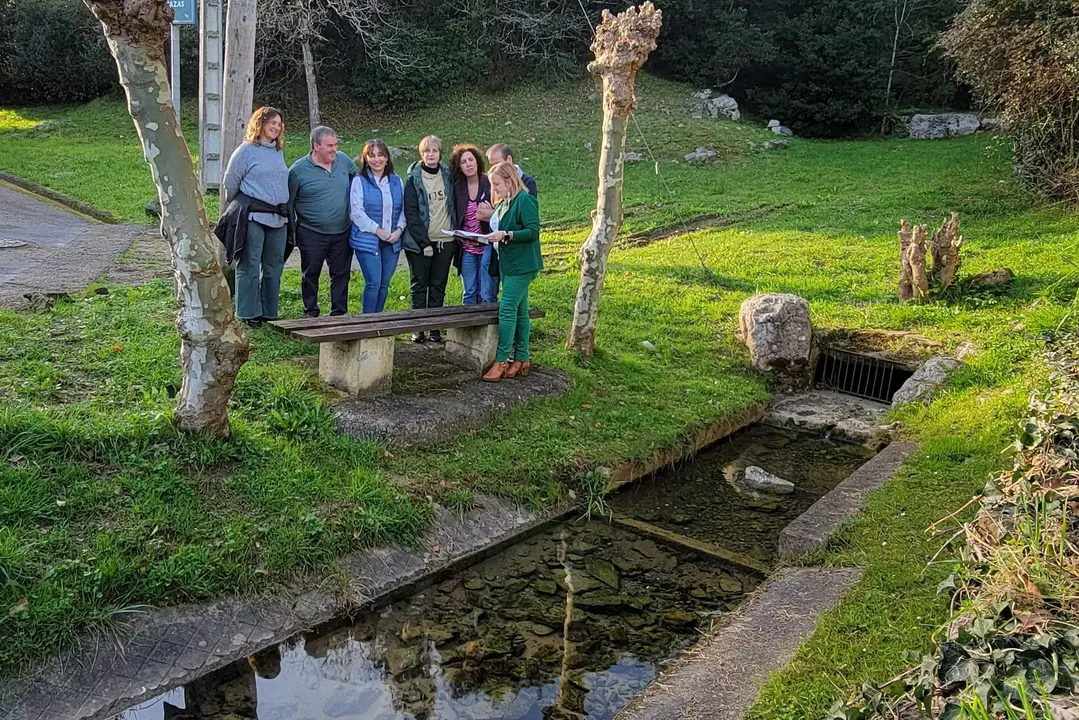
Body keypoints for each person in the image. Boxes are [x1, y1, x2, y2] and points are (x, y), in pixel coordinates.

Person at [217, 106, 290, 327]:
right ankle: (248, 312)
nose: (276, 127)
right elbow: (230, 183)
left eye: (279, 124)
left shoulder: (277, 152)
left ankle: (269, 311)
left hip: (277, 217)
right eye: (272, 122)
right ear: (260, 123)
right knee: (250, 263)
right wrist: (242, 203)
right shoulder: (246, 150)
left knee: (274, 264)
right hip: (253, 216)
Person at [481, 161, 542, 383]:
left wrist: (507, 235)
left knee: (506, 309)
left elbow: (533, 231)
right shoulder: (505, 202)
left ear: (509, 180)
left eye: (497, 184)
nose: (494, 189)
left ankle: (501, 359)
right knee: (520, 311)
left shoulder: (524, 200)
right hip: (507, 264)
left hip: (522, 265)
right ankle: (522, 358)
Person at [288, 125, 356, 318]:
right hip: (311, 232)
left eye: (335, 144)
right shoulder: (298, 170)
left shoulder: (344, 161)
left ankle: (339, 312)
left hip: (342, 230)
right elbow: (289, 203)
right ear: (316, 146)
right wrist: (293, 232)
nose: (335, 149)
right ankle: (311, 311)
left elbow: (357, 182)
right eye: (330, 146)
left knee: (341, 274)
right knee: (310, 274)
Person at [402, 135, 457, 343]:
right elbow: (411, 213)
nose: (431, 154)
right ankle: (418, 327)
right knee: (419, 284)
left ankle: (435, 327)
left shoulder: (449, 176)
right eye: (427, 151)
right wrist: (424, 242)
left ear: (440, 153)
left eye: (434, 151)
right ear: (421, 154)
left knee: (438, 285)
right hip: (420, 241)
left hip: (446, 239)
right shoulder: (413, 179)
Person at [350, 139, 406, 314]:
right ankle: (367, 322)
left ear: (387, 158)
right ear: (365, 158)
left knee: (384, 284)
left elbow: (404, 209)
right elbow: (357, 213)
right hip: (368, 239)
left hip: (392, 240)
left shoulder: (396, 181)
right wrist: (378, 231)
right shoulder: (359, 181)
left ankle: (379, 321)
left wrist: (399, 230)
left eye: (380, 155)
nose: (376, 160)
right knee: (373, 283)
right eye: (371, 155)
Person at [450, 143, 495, 305]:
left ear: (477, 161)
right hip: (466, 247)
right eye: (463, 162)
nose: (468, 164)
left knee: (486, 293)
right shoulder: (457, 187)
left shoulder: (489, 182)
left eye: (471, 160)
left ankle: (488, 329)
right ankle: (468, 329)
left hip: (487, 245)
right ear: (459, 166)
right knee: (469, 292)